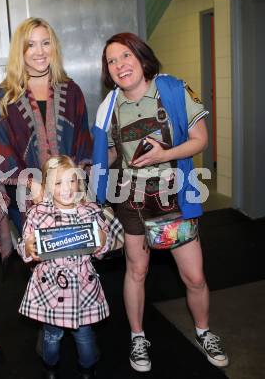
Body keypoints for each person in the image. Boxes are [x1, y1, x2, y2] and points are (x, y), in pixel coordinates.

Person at [93, 32, 229, 372]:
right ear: (107, 71)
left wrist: (165, 154)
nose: (120, 65)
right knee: (136, 271)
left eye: (125, 56)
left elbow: (200, 140)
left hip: (175, 198)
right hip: (132, 201)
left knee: (194, 275)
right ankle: (138, 337)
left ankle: (203, 331)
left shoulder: (173, 90)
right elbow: (107, 154)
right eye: (112, 61)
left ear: (141, 57)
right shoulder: (108, 108)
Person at [0, 17, 92, 258]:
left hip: (69, 192)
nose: (40, 52)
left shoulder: (72, 91)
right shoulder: (4, 96)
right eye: (31, 45)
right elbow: (0, 149)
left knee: (76, 260)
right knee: (41, 264)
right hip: (26, 194)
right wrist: (32, 184)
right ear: (20, 51)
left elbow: (83, 140)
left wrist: (69, 181)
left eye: (46, 43)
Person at [18, 155, 112, 379]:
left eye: (72, 181)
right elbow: (25, 248)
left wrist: (101, 238)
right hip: (51, 287)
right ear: (48, 186)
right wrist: (30, 249)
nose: (67, 188)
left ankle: (87, 368)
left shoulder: (90, 211)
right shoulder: (37, 214)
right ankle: (50, 367)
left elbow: (103, 250)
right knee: (52, 336)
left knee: (85, 337)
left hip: (83, 287)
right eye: (59, 183)